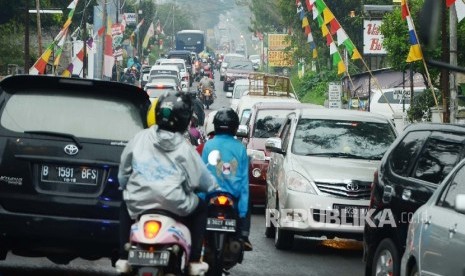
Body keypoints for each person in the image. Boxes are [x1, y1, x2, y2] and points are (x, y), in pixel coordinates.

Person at [116, 91, 218, 275]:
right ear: (184, 119)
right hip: (176, 204)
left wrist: (126, 186)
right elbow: (204, 181)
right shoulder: (184, 147)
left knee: (124, 203)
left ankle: (123, 258)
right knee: (201, 208)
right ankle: (194, 261)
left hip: (139, 203)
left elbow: (123, 174)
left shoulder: (139, 138)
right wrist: (212, 188)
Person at [201, 108, 253, 251]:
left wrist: (199, 197)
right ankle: (244, 235)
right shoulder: (240, 148)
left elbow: (201, 173)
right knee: (248, 199)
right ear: (235, 127)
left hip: (210, 194)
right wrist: (242, 213)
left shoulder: (208, 145)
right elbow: (243, 182)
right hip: (233, 196)